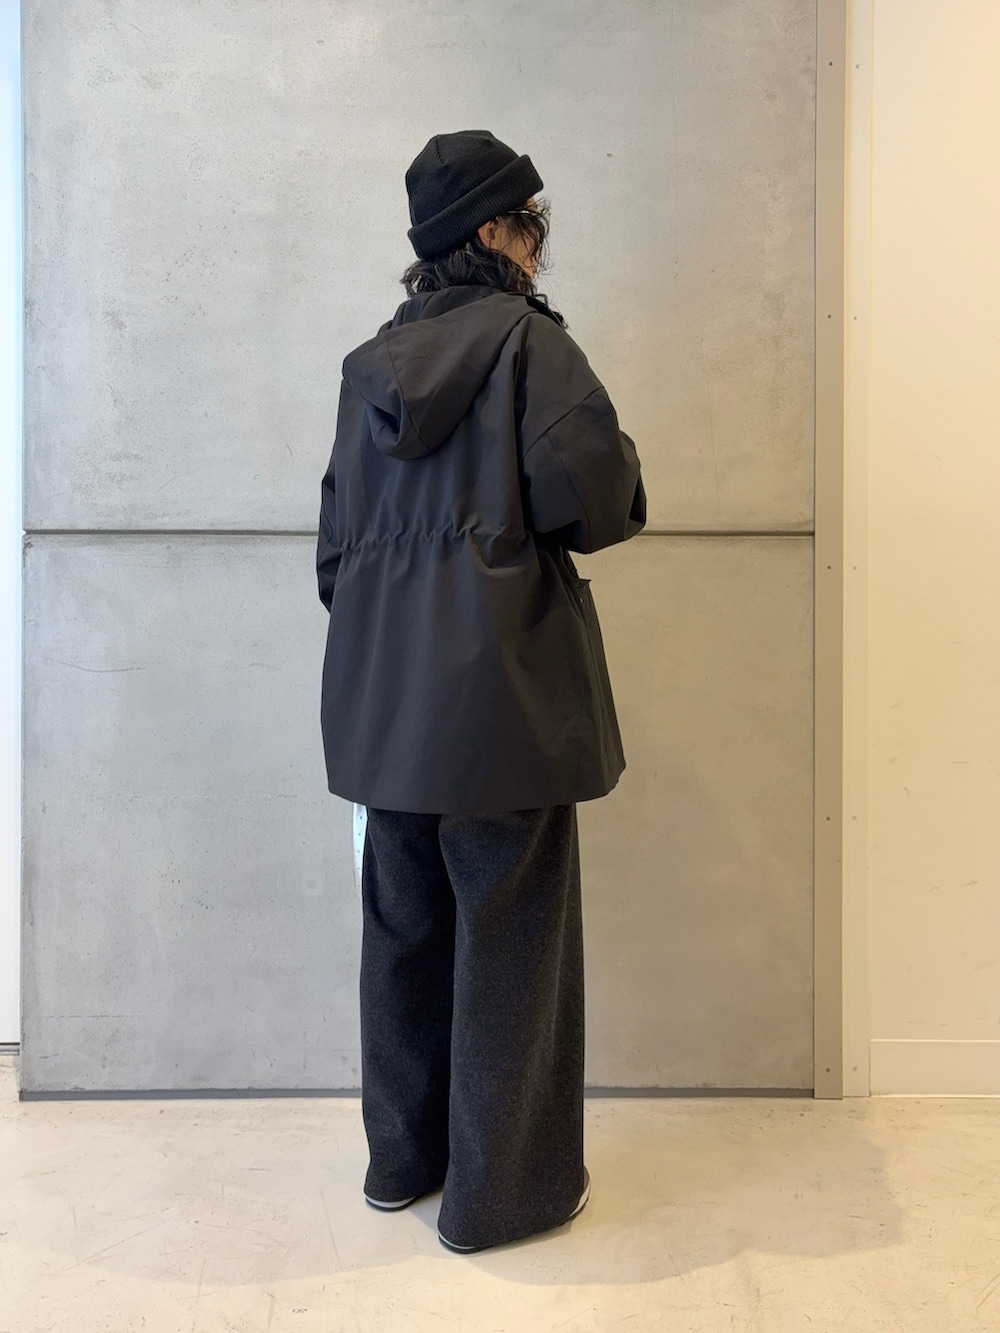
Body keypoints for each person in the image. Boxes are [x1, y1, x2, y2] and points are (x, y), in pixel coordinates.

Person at [316, 129, 646, 1254]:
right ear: (496, 232)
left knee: (403, 932)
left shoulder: (367, 369)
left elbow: (334, 554)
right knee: (511, 944)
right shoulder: (530, 346)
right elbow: (592, 498)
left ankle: (402, 1164)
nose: (540, 252)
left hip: (384, 712)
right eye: (533, 229)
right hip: (506, 702)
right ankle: (502, 1197)